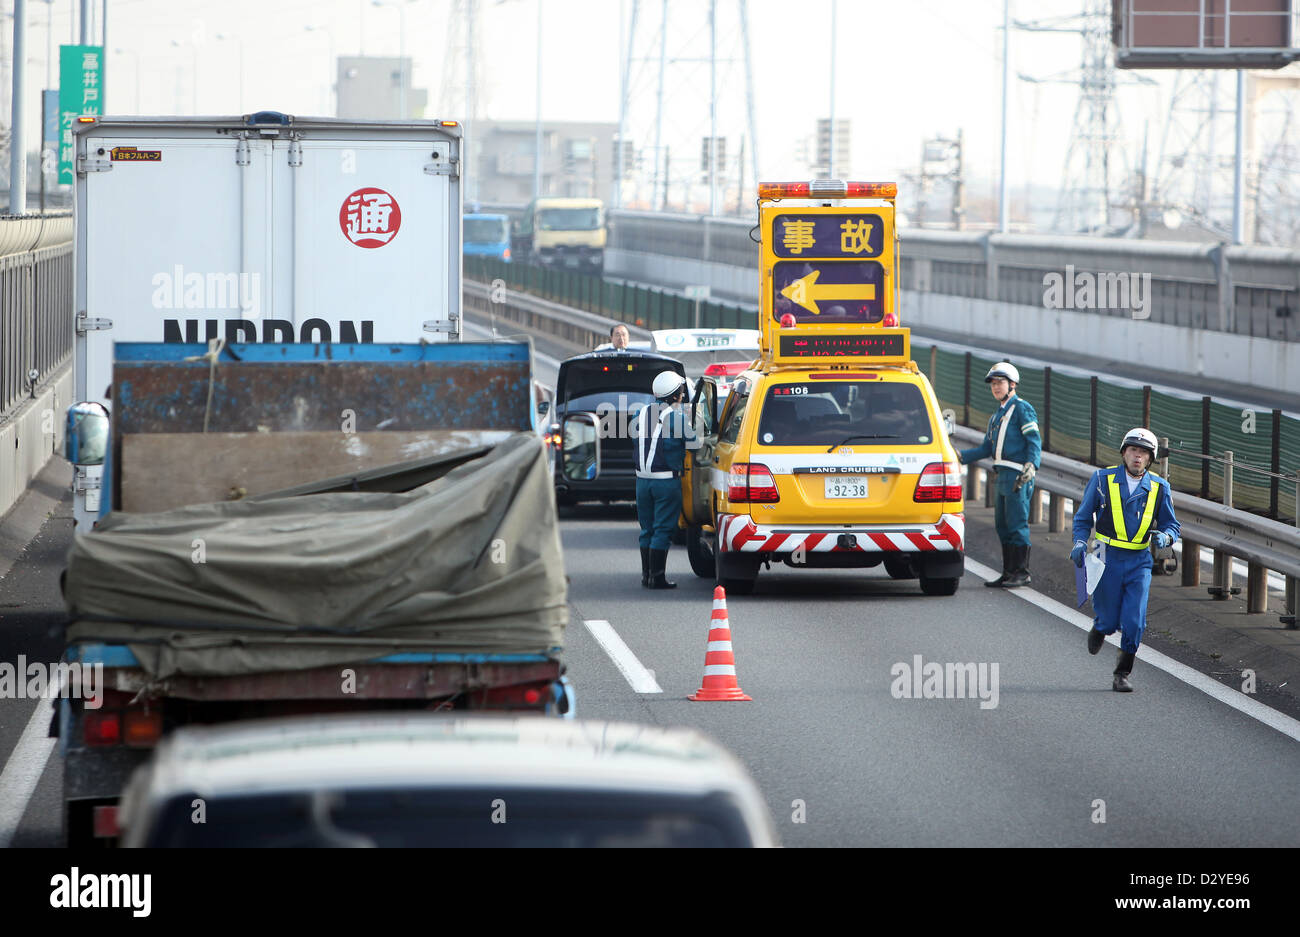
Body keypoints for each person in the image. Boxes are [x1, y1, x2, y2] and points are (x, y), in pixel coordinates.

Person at [1071, 427, 1179, 692]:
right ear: (1123, 453)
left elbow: (1172, 525)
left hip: (1139, 560)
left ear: (1150, 459)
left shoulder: (1159, 487)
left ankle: (1122, 673)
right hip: (1105, 556)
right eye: (1133, 450)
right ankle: (1100, 627)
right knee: (1108, 619)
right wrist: (1080, 542)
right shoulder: (1101, 479)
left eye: (1143, 453)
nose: (1137, 457)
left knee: (1134, 620)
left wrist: (1165, 538)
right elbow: (1084, 517)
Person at [956, 362, 1042, 587]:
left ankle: (1021, 572)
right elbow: (986, 448)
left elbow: (1034, 440)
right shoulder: (996, 416)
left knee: (1016, 523)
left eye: (1000, 382)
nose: (996, 387)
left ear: (1012, 384)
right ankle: (1008, 572)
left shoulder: (1022, 408)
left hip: (1017, 475)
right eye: (993, 383)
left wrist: (1031, 465)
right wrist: (959, 456)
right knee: (1002, 525)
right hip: (1001, 474)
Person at [634, 370, 697, 589]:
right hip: (666, 482)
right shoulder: (677, 417)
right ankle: (658, 577)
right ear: (675, 395)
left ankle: (646, 576)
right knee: (662, 529)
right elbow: (695, 443)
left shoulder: (640, 413)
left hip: (642, 481)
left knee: (647, 529)